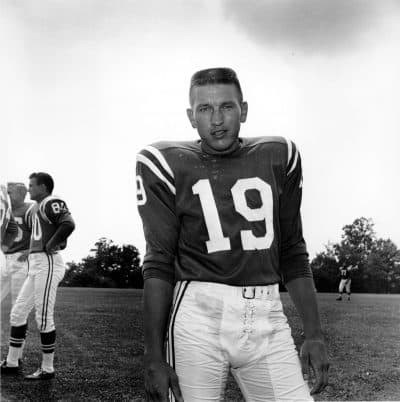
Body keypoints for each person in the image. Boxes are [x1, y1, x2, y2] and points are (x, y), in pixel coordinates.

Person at [136, 67, 329, 401]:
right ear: (190, 116)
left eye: (226, 106)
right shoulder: (164, 162)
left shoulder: (279, 155)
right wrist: (154, 353)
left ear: (244, 110)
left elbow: (293, 251)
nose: (217, 120)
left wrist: (314, 333)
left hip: (268, 316)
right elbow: (159, 261)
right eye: (204, 109)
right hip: (197, 320)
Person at [1, 172, 75, 380]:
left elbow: (68, 224)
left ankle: (47, 368)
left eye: (32, 185)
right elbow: (57, 232)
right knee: (17, 313)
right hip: (36, 264)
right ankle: (12, 362)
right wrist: (56, 241)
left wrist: (51, 245)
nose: (29, 188)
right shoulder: (36, 208)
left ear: (43, 187)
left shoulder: (51, 201)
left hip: (46, 263)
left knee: (43, 317)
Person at [1, 183, 34, 362]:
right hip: (5, 260)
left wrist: (30, 251)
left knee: (18, 308)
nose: (7, 195)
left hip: (21, 262)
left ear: (22, 193)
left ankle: (17, 354)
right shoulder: (5, 209)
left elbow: (42, 233)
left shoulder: (30, 209)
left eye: (10, 192)